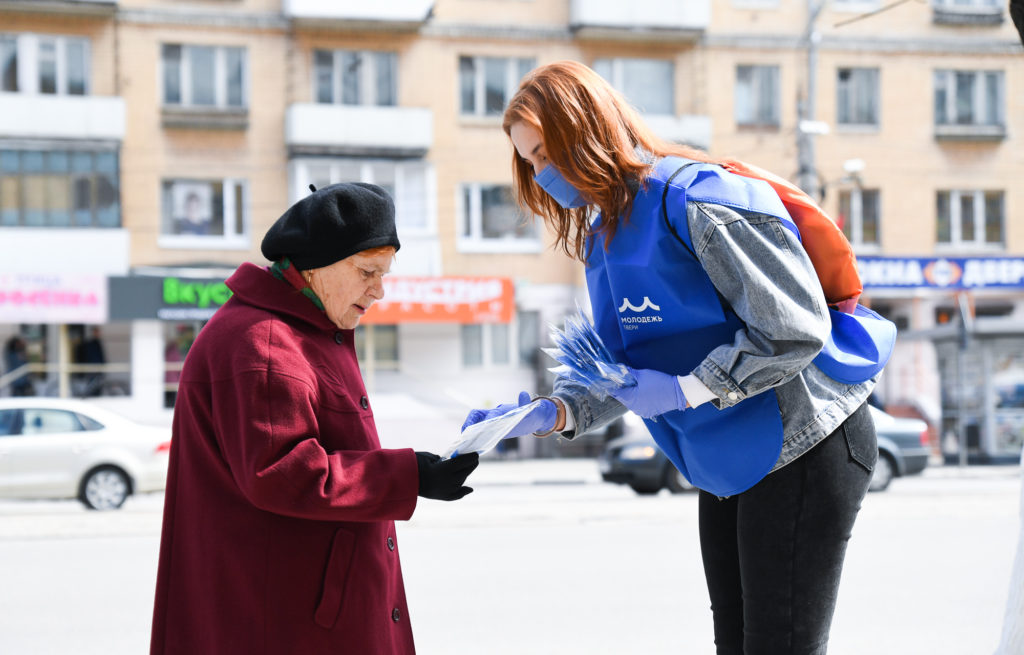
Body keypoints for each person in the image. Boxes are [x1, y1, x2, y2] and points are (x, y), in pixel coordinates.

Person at [462, 60, 884, 654]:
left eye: (543, 155)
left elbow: (793, 330)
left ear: (583, 132)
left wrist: (686, 389)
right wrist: (554, 412)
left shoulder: (699, 200)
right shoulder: (601, 233)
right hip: (726, 455)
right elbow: (624, 370)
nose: (539, 175)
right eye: (528, 161)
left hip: (805, 441)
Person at [151, 182, 480, 655]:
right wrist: (411, 475)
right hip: (281, 620)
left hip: (296, 610)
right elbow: (281, 472)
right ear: (316, 266)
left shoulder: (307, 327)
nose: (379, 291)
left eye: (384, 274)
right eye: (367, 271)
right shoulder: (264, 341)